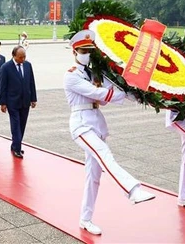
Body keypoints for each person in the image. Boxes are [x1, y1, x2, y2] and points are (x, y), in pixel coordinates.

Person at [64, 30, 155, 236]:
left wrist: (138, 94)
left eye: (89, 51)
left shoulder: (95, 73)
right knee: (105, 155)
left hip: (96, 123)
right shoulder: (70, 75)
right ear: (74, 52)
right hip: (81, 125)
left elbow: (108, 93)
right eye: (83, 50)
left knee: (93, 176)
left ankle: (85, 219)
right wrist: (119, 93)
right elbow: (98, 93)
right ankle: (132, 190)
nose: (86, 54)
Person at [0, 46, 36, 158]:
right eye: (20, 57)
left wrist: (33, 98)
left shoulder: (27, 65)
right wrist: (3, 103)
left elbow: (31, 82)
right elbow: (3, 86)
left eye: (24, 57)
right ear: (14, 56)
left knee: (22, 125)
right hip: (12, 102)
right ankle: (17, 148)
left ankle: (15, 144)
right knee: (15, 125)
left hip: (25, 101)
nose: (23, 59)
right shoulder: (6, 67)